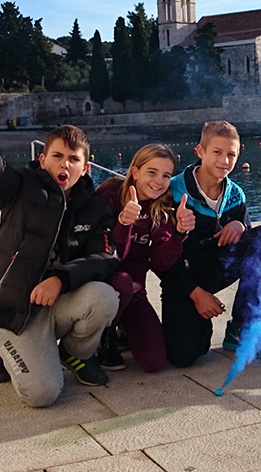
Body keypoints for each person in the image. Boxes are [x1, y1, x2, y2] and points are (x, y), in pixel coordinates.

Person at [0, 101, 120, 407]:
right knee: (42, 395)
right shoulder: (18, 188)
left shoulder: (96, 208)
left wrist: (60, 279)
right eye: (57, 156)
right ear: (43, 160)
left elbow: (105, 257)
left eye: (74, 159)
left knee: (105, 297)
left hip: (60, 301)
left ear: (86, 168)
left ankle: (74, 353)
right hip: (17, 308)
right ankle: (0, 348)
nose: (65, 165)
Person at [160, 120, 261, 367]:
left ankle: (242, 326)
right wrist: (196, 294)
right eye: (217, 152)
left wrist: (241, 225)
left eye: (231, 155)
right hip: (181, 277)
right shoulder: (171, 192)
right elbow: (160, 260)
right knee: (184, 355)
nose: (224, 161)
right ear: (200, 151)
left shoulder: (236, 194)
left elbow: (250, 246)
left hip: (218, 267)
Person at [95, 143, 196, 372]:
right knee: (121, 281)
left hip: (133, 290)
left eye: (166, 175)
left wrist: (179, 234)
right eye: (152, 172)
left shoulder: (162, 209)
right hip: (102, 282)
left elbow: (161, 263)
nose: (158, 181)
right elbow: (108, 256)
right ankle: (105, 337)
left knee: (154, 361)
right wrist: (124, 223)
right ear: (135, 172)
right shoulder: (109, 195)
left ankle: (123, 326)